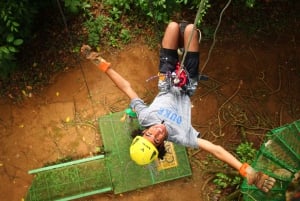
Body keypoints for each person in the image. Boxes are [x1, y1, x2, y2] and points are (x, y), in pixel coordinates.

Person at [81, 21, 276, 193]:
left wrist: (102, 64)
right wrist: (246, 170)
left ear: (143, 132)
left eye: (149, 135)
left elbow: (126, 87)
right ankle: (186, 45)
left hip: (166, 78)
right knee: (190, 29)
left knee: (173, 27)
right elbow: (215, 149)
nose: (156, 133)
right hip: (187, 83)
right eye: (156, 141)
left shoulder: (145, 117)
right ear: (160, 146)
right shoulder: (182, 135)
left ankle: (181, 46)